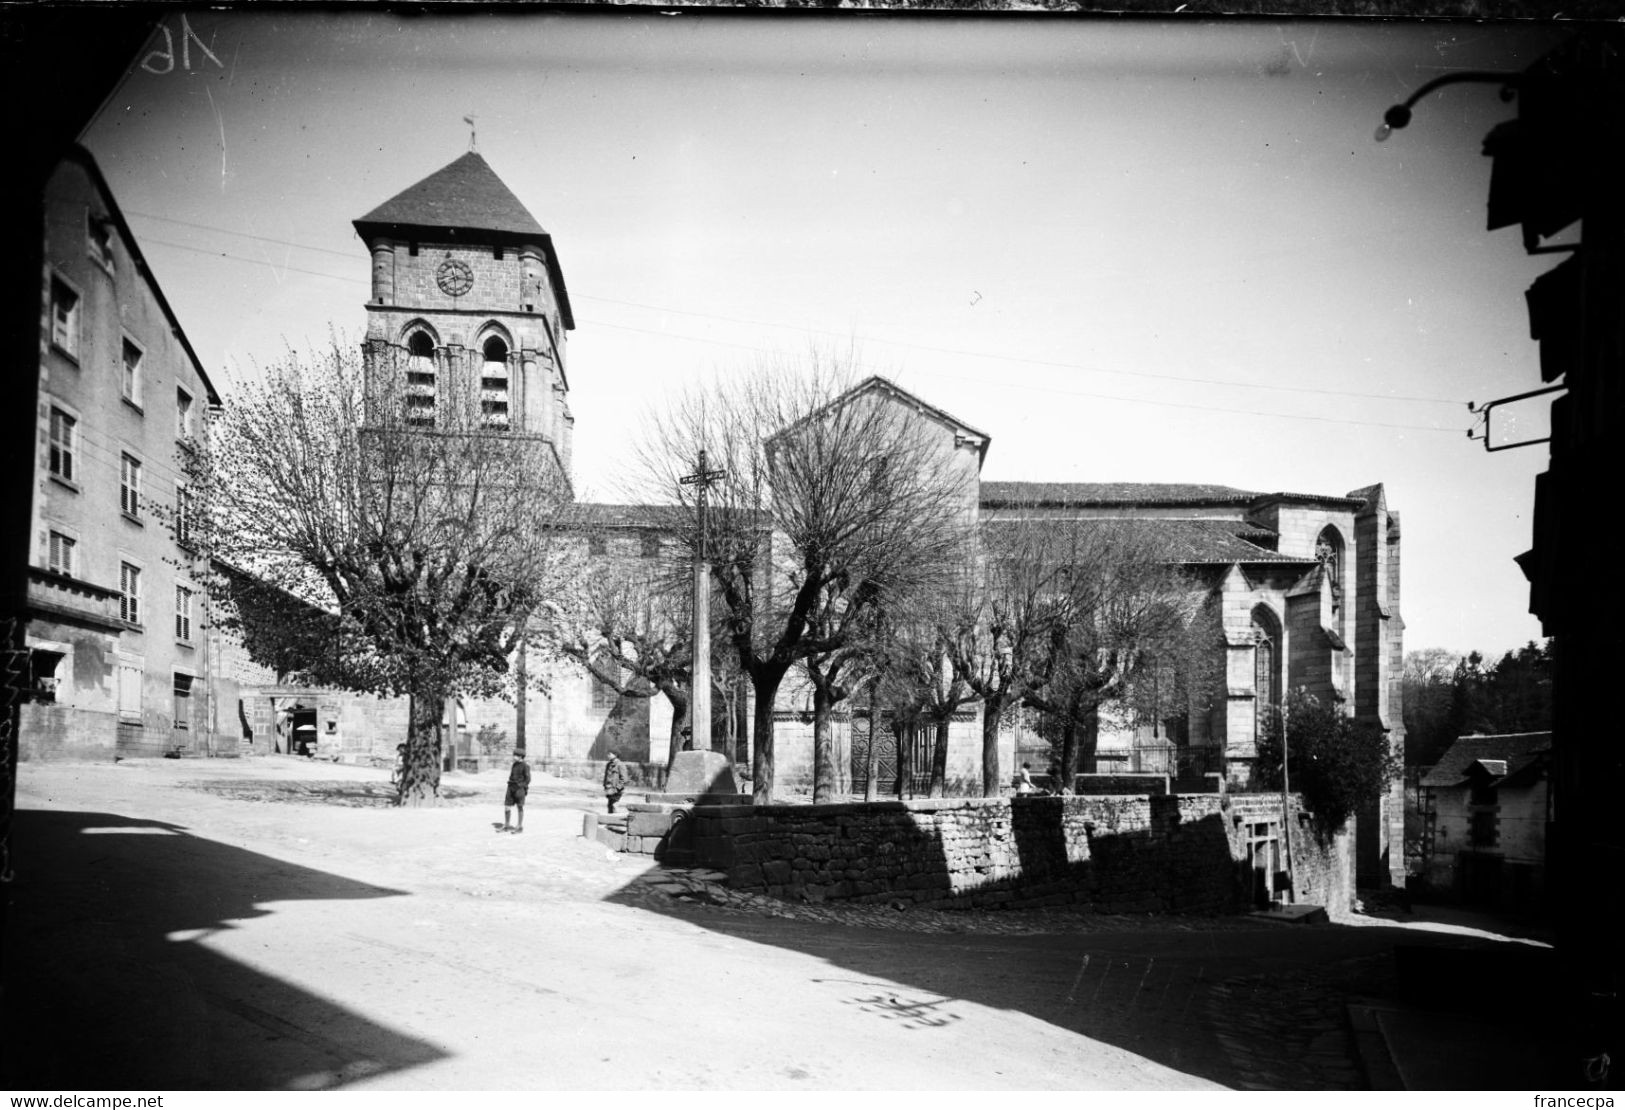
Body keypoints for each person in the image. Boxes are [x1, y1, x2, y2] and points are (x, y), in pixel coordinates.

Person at [502, 749, 530, 833]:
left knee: (519, 807)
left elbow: (528, 779)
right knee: (507, 806)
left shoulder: (525, 766)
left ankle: (519, 827)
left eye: (515, 755)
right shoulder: (514, 764)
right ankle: (506, 825)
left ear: (520, 756)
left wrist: (520, 786)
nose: (513, 757)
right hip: (510, 787)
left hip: (519, 789)